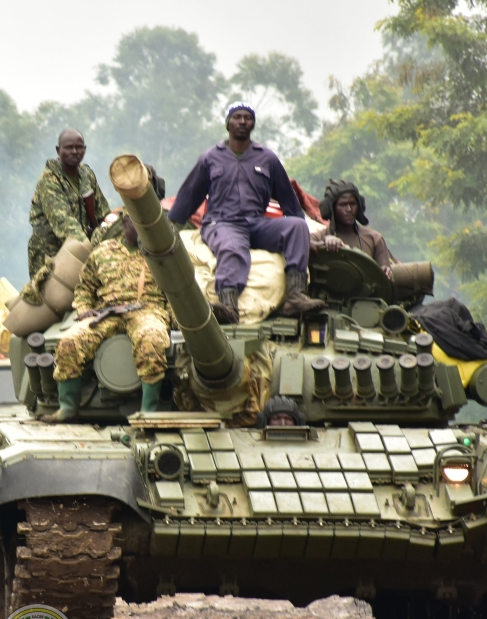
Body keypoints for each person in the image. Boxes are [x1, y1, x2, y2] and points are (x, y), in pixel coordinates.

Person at [169, 102, 325, 317]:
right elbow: (189, 195)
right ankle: (229, 306)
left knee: (297, 226)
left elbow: (289, 200)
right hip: (222, 222)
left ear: (253, 124)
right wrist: (170, 226)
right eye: (237, 117)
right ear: (228, 123)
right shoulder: (211, 158)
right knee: (233, 248)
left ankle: (296, 296)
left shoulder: (267, 158)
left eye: (248, 118)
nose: (243, 122)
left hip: (256, 223)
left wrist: (306, 237)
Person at [50, 215, 169, 421]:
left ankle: (148, 411)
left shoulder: (161, 253)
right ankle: (68, 407)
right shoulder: (103, 252)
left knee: (152, 340)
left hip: (147, 310)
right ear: (124, 224)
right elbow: (85, 287)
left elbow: (176, 291)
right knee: (70, 342)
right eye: (136, 222)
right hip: (107, 312)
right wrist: (85, 309)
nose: (142, 227)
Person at [27, 129, 112, 277]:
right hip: (49, 257)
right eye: (68, 147)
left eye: (79, 147)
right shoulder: (49, 180)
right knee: (53, 298)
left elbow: (103, 214)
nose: (74, 151)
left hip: (80, 252)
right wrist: (95, 247)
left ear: (84, 150)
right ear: (58, 150)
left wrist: (111, 235)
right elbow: (64, 223)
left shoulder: (87, 175)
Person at [314, 179, 397, 280]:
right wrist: (324, 241)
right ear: (331, 208)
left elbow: (386, 275)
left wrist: (386, 272)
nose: (349, 209)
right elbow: (300, 246)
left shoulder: (374, 239)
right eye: (343, 204)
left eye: (352, 204)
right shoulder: (318, 236)